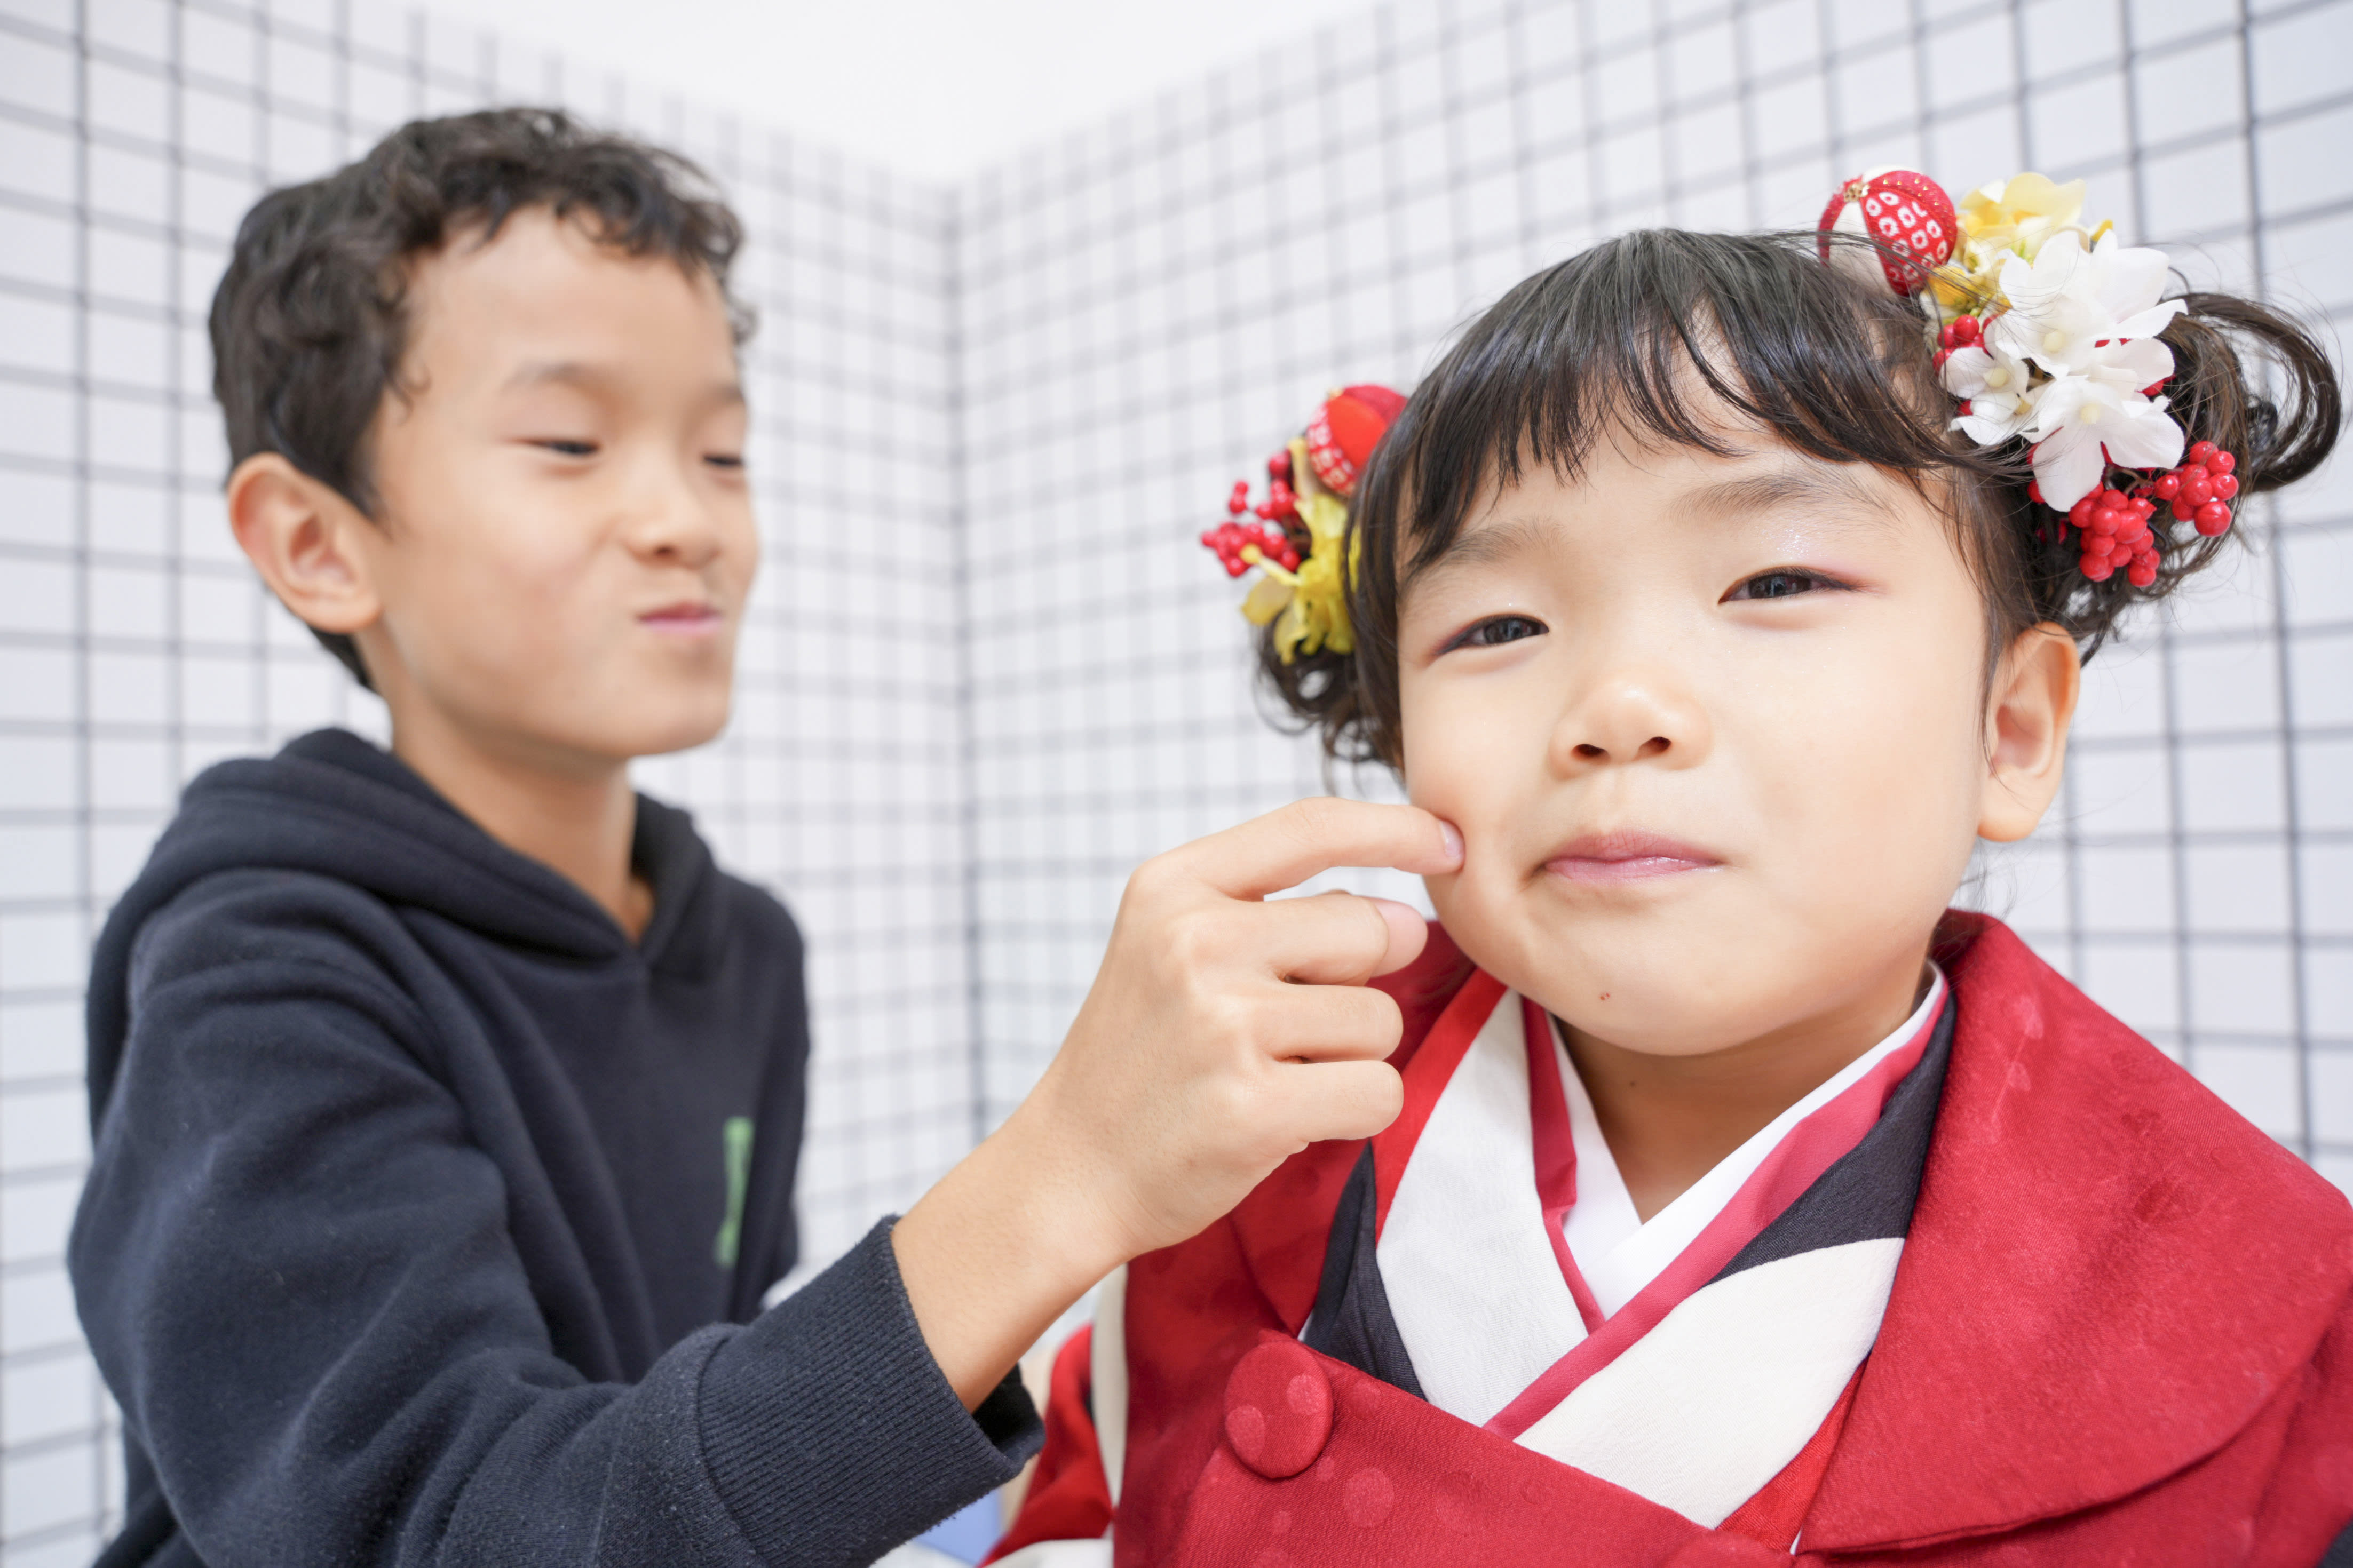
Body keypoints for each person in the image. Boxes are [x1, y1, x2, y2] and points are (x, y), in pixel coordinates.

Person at [69, 107, 1461, 1568]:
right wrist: (1062, 1170)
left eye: (722, 452)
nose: (687, 518)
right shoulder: (253, 976)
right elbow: (445, 1529)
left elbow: (685, 1404)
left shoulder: (739, 949)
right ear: (317, 543)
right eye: (568, 440)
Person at [989, 169, 2353, 1563]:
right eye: (1499, 625)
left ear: (2008, 729)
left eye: (1774, 583)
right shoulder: (1231, 1148)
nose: (1617, 703)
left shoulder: (2267, 1313)